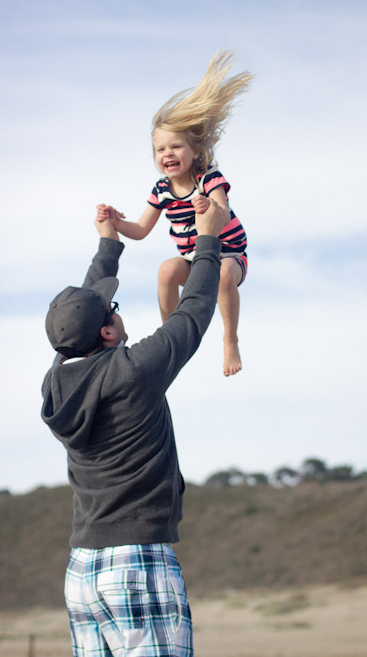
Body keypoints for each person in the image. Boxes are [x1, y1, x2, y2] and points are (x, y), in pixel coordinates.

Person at [41, 198, 229, 657]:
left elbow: (77, 315)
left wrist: (109, 244)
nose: (116, 312)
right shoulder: (133, 371)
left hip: (82, 571)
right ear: (107, 332)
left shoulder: (57, 381)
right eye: (113, 310)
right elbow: (195, 311)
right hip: (136, 564)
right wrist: (208, 238)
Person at [97, 50, 252, 378]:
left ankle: (230, 339)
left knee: (224, 274)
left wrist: (209, 208)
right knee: (167, 269)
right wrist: (115, 220)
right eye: (160, 149)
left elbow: (221, 214)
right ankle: (171, 336)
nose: (167, 154)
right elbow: (140, 230)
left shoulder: (207, 178)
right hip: (195, 262)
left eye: (175, 147)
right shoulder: (161, 190)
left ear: (195, 151)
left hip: (230, 256)